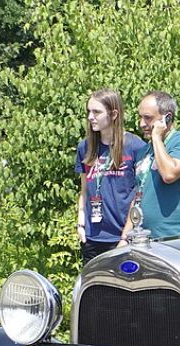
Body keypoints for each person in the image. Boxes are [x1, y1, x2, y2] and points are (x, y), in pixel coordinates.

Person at [76, 89, 146, 262]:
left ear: (114, 114)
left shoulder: (135, 146)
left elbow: (139, 195)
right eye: (89, 112)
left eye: (96, 112)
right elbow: (84, 190)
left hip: (123, 238)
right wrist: (80, 224)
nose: (90, 117)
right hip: (92, 238)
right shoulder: (85, 147)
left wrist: (125, 237)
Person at [122, 91, 180, 240]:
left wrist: (156, 137)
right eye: (140, 117)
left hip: (175, 237)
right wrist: (124, 238)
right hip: (143, 238)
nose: (141, 124)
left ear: (167, 117)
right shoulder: (144, 151)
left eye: (148, 118)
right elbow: (138, 194)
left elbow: (169, 174)